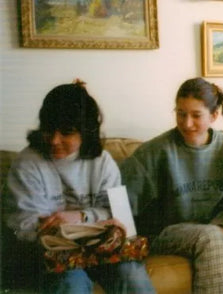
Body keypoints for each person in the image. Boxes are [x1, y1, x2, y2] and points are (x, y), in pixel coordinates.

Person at [120, 77, 223, 294]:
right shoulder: (154, 152)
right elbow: (123, 204)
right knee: (210, 236)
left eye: (196, 115)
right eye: (180, 113)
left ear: (214, 116)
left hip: (213, 225)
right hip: (166, 232)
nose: (186, 123)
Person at [3, 80, 155, 294]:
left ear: (86, 132)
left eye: (66, 132)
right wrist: (88, 224)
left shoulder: (102, 162)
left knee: (132, 276)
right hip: (49, 259)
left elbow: (119, 217)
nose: (54, 140)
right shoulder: (28, 163)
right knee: (72, 284)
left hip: (102, 253)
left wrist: (80, 217)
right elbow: (24, 227)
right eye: (49, 130)